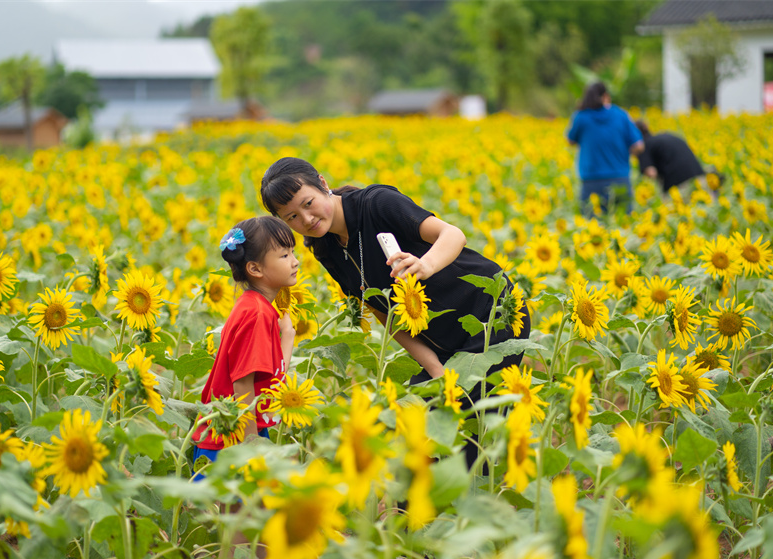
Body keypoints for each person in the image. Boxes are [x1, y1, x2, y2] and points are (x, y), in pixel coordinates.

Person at [260, 157, 531, 470]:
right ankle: (415, 514)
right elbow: (381, 311)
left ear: (322, 184)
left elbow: (452, 234)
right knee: (416, 427)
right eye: (291, 216)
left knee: (472, 429)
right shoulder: (324, 247)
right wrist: (434, 368)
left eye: (308, 203)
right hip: (441, 341)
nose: (306, 219)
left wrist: (425, 265)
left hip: (489, 313)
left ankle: (478, 503)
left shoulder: (377, 204)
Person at [191, 217, 299, 477]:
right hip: (230, 440)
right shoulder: (256, 314)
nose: (295, 261)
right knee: (231, 513)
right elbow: (242, 386)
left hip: (240, 428)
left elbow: (273, 379)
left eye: (293, 252)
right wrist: (252, 452)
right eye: (284, 255)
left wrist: (288, 337)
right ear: (255, 268)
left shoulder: (256, 306)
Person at [566, 82, 644, 217]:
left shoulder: (581, 117)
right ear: (606, 96)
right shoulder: (620, 115)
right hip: (620, 178)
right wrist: (622, 155)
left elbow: (570, 140)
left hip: (591, 181)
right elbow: (638, 145)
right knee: (624, 226)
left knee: (592, 229)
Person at [634, 119, 723, 198]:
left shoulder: (643, 146)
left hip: (680, 188)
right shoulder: (664, 136)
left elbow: (651, 173)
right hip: (700, 179)